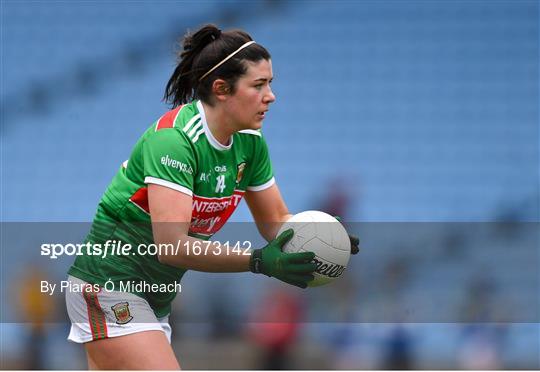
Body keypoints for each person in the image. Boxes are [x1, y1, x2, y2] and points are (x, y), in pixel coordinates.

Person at [65, 24, 359, 370]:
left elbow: (277, 222)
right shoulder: (175, 141)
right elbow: (171, 245)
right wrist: (258, 261)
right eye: (259, 85)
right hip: (107, 285)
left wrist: (320, 237)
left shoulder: (250, 143)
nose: (271, 96)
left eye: (271, 84)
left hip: (154, 298)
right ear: (222, 89)